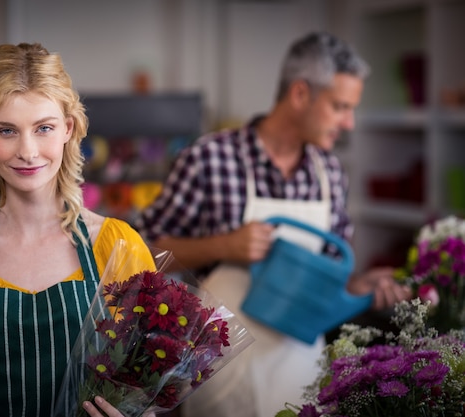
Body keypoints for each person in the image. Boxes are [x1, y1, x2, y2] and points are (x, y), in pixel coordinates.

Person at [134, 31, 412, 417]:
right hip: (221, 374)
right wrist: (223, 246)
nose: (348, 123)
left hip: (303, 374)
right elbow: (142, 254)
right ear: (300, 94)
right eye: (339, 107)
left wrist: (356, 286)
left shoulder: (330, 172)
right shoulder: (210, 158)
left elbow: (325, 280)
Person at [0, 42, 157, 417]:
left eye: (44, 128)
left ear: (68, 128)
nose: (28, 151)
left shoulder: (118, 246)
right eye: (7, 131)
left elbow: (146, 399)